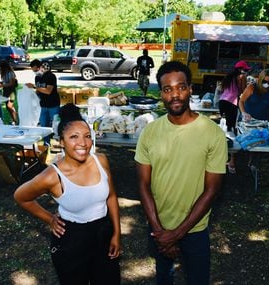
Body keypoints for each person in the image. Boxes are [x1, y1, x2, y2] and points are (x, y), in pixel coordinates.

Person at [135, 61, 227, 285]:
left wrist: (176, 234)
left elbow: (212, 189)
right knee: (163, 278)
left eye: (181, 87)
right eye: (167, 89)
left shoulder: (212, 133)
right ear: (161, 95)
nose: (175, 94)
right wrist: (160, 232)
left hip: (195, 229)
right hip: (158, 226)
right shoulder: (149, 132)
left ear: (190, 89)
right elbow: (143, 185)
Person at [14, 103, 121, 284]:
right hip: (72, 239)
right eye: (74, 137)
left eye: (87, 136)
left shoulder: (101, 161)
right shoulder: (52, 176)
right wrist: (49, 219)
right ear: (61, 142)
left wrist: (116, 233)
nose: (83, 143)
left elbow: (111, 196)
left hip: (103, 231)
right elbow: (21, 196)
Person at [219, 60, 250, 174]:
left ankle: (222, 151)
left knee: (223, 126)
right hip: (231, 103)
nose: (246, 72)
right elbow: (243, 90)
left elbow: (223, 89)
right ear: (241, 70)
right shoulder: (241, 77)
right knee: (231, 129)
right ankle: (230, 154)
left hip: (222, 101)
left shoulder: (228, 76)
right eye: (245, 70)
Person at [26, 59, 60, 145]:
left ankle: (60, 143)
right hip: (43, 105)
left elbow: (48, 91)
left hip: (53, 105)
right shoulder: (37, 77)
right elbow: (38, 91)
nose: (35, 72)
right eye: (34, 71)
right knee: (44, 126)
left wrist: (34, 87)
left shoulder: (51, 76)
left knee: (56, 125)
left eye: (36, 70)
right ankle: (46, 144)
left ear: (41, 67)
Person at [0, 60, 18, 124]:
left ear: (4, 67)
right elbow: (5, 82)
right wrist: (1, 83)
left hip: (11, 92)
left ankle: (15, 120)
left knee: (10, 106)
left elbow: (11, 84)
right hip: (6, 91)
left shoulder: (10, 73)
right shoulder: (4, 73)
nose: (0, 68)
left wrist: (2, 85)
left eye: (0, 67)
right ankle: (13, 119)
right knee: (7, 106)